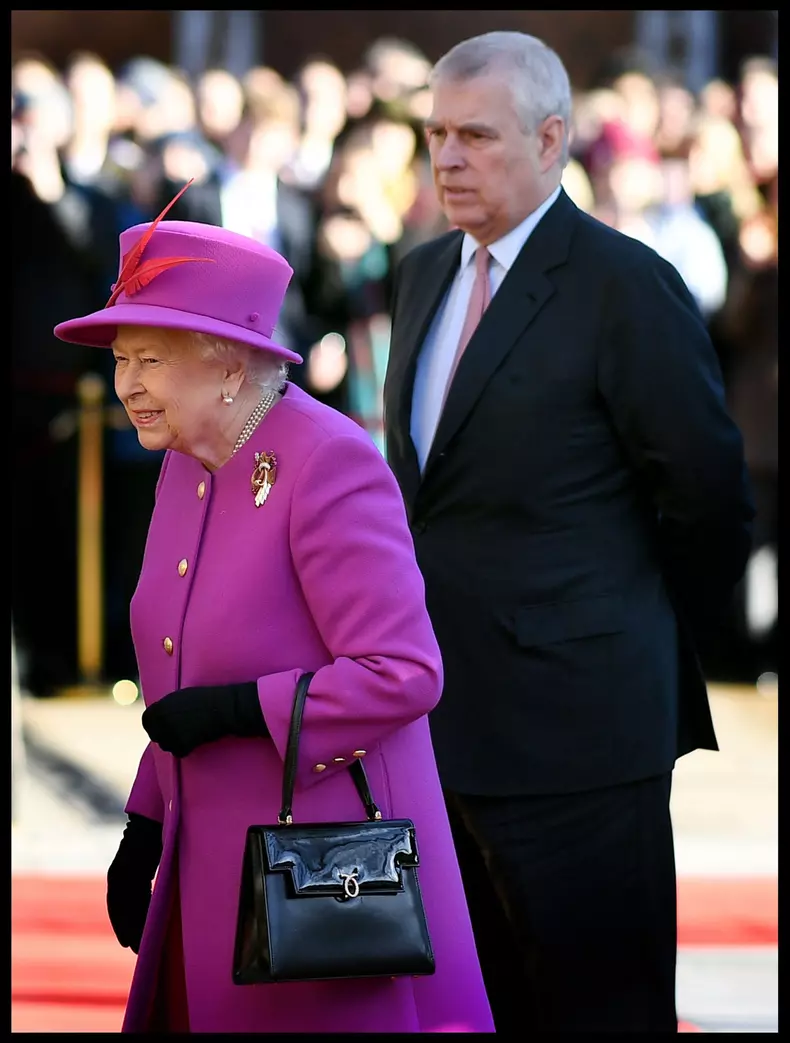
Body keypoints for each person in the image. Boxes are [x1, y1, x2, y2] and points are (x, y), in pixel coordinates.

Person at [53, 182, 494, 1034]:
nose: (127, 386)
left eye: (150, 359)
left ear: (225, 361)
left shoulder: (327, 462)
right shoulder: (186, 457)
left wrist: (239, 711)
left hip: (322, 879)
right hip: (205, 860)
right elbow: (178, 673)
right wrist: (144, 821)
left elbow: (405, 672)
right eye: (120, 361)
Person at [382, 32, 755, 1034]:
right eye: (434, 135)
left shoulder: (621, 285)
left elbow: (708, 495)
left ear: (551, 141)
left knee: (601, 1011)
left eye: (475, 135)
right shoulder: (420, 276)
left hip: (585, 738)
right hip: (443, 731)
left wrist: (618, 635)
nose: (447, 158)